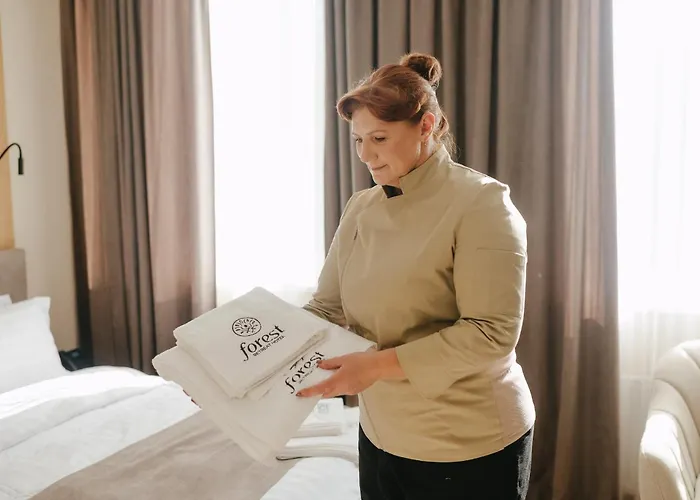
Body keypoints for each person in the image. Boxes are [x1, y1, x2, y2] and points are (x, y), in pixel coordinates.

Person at [296, 52, 536, 500]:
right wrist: (243, 373)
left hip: (468, 442)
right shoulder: (361, 208)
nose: (365, 154)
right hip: (381, 434)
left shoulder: (481, 203)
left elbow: (491, 333)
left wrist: (374, 366)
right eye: (358, 140)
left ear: (426, 126)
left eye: (379, 138)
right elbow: (325, 309)